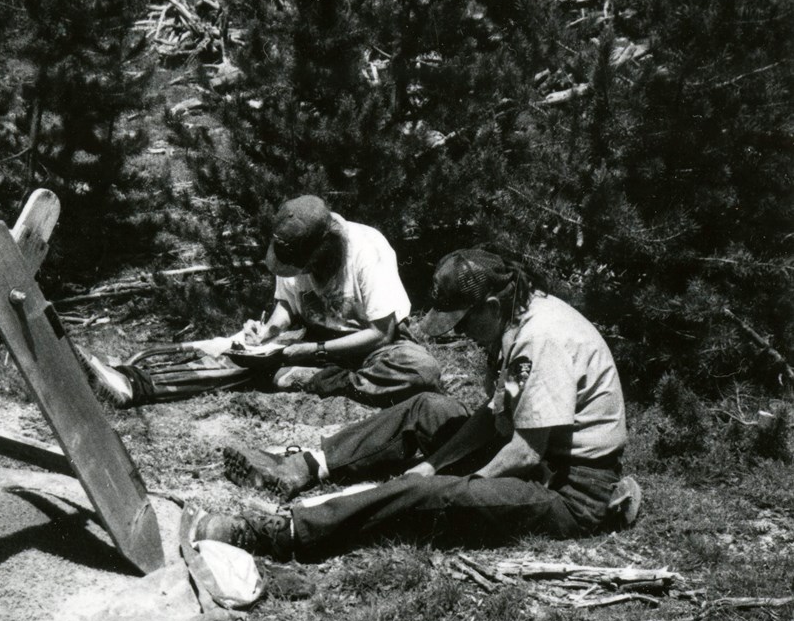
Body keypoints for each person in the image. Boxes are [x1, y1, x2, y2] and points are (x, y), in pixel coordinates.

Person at [197, 248, 642, 559]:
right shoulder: (517, 315)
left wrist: (454, 479)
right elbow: (493, 415)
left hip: (569, 493)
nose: (461, 333)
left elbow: (525, 452)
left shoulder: (541, 337)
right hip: (541, 461)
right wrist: (433, 463)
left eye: (463, 321)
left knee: (431, 493)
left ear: (489, 304)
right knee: (427, 406)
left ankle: (287, 532)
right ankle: (306, 466)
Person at [79, 195, 442, 408]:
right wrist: (270, 329)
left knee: (419, 368)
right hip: (314, 342)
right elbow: (288, 306)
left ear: (323, 247)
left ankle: (321, 379)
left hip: (373, 346)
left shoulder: (366, 249)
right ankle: (133, 382)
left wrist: (310, 353)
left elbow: (382, 333)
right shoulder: (293, 242)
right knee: (238, 353)